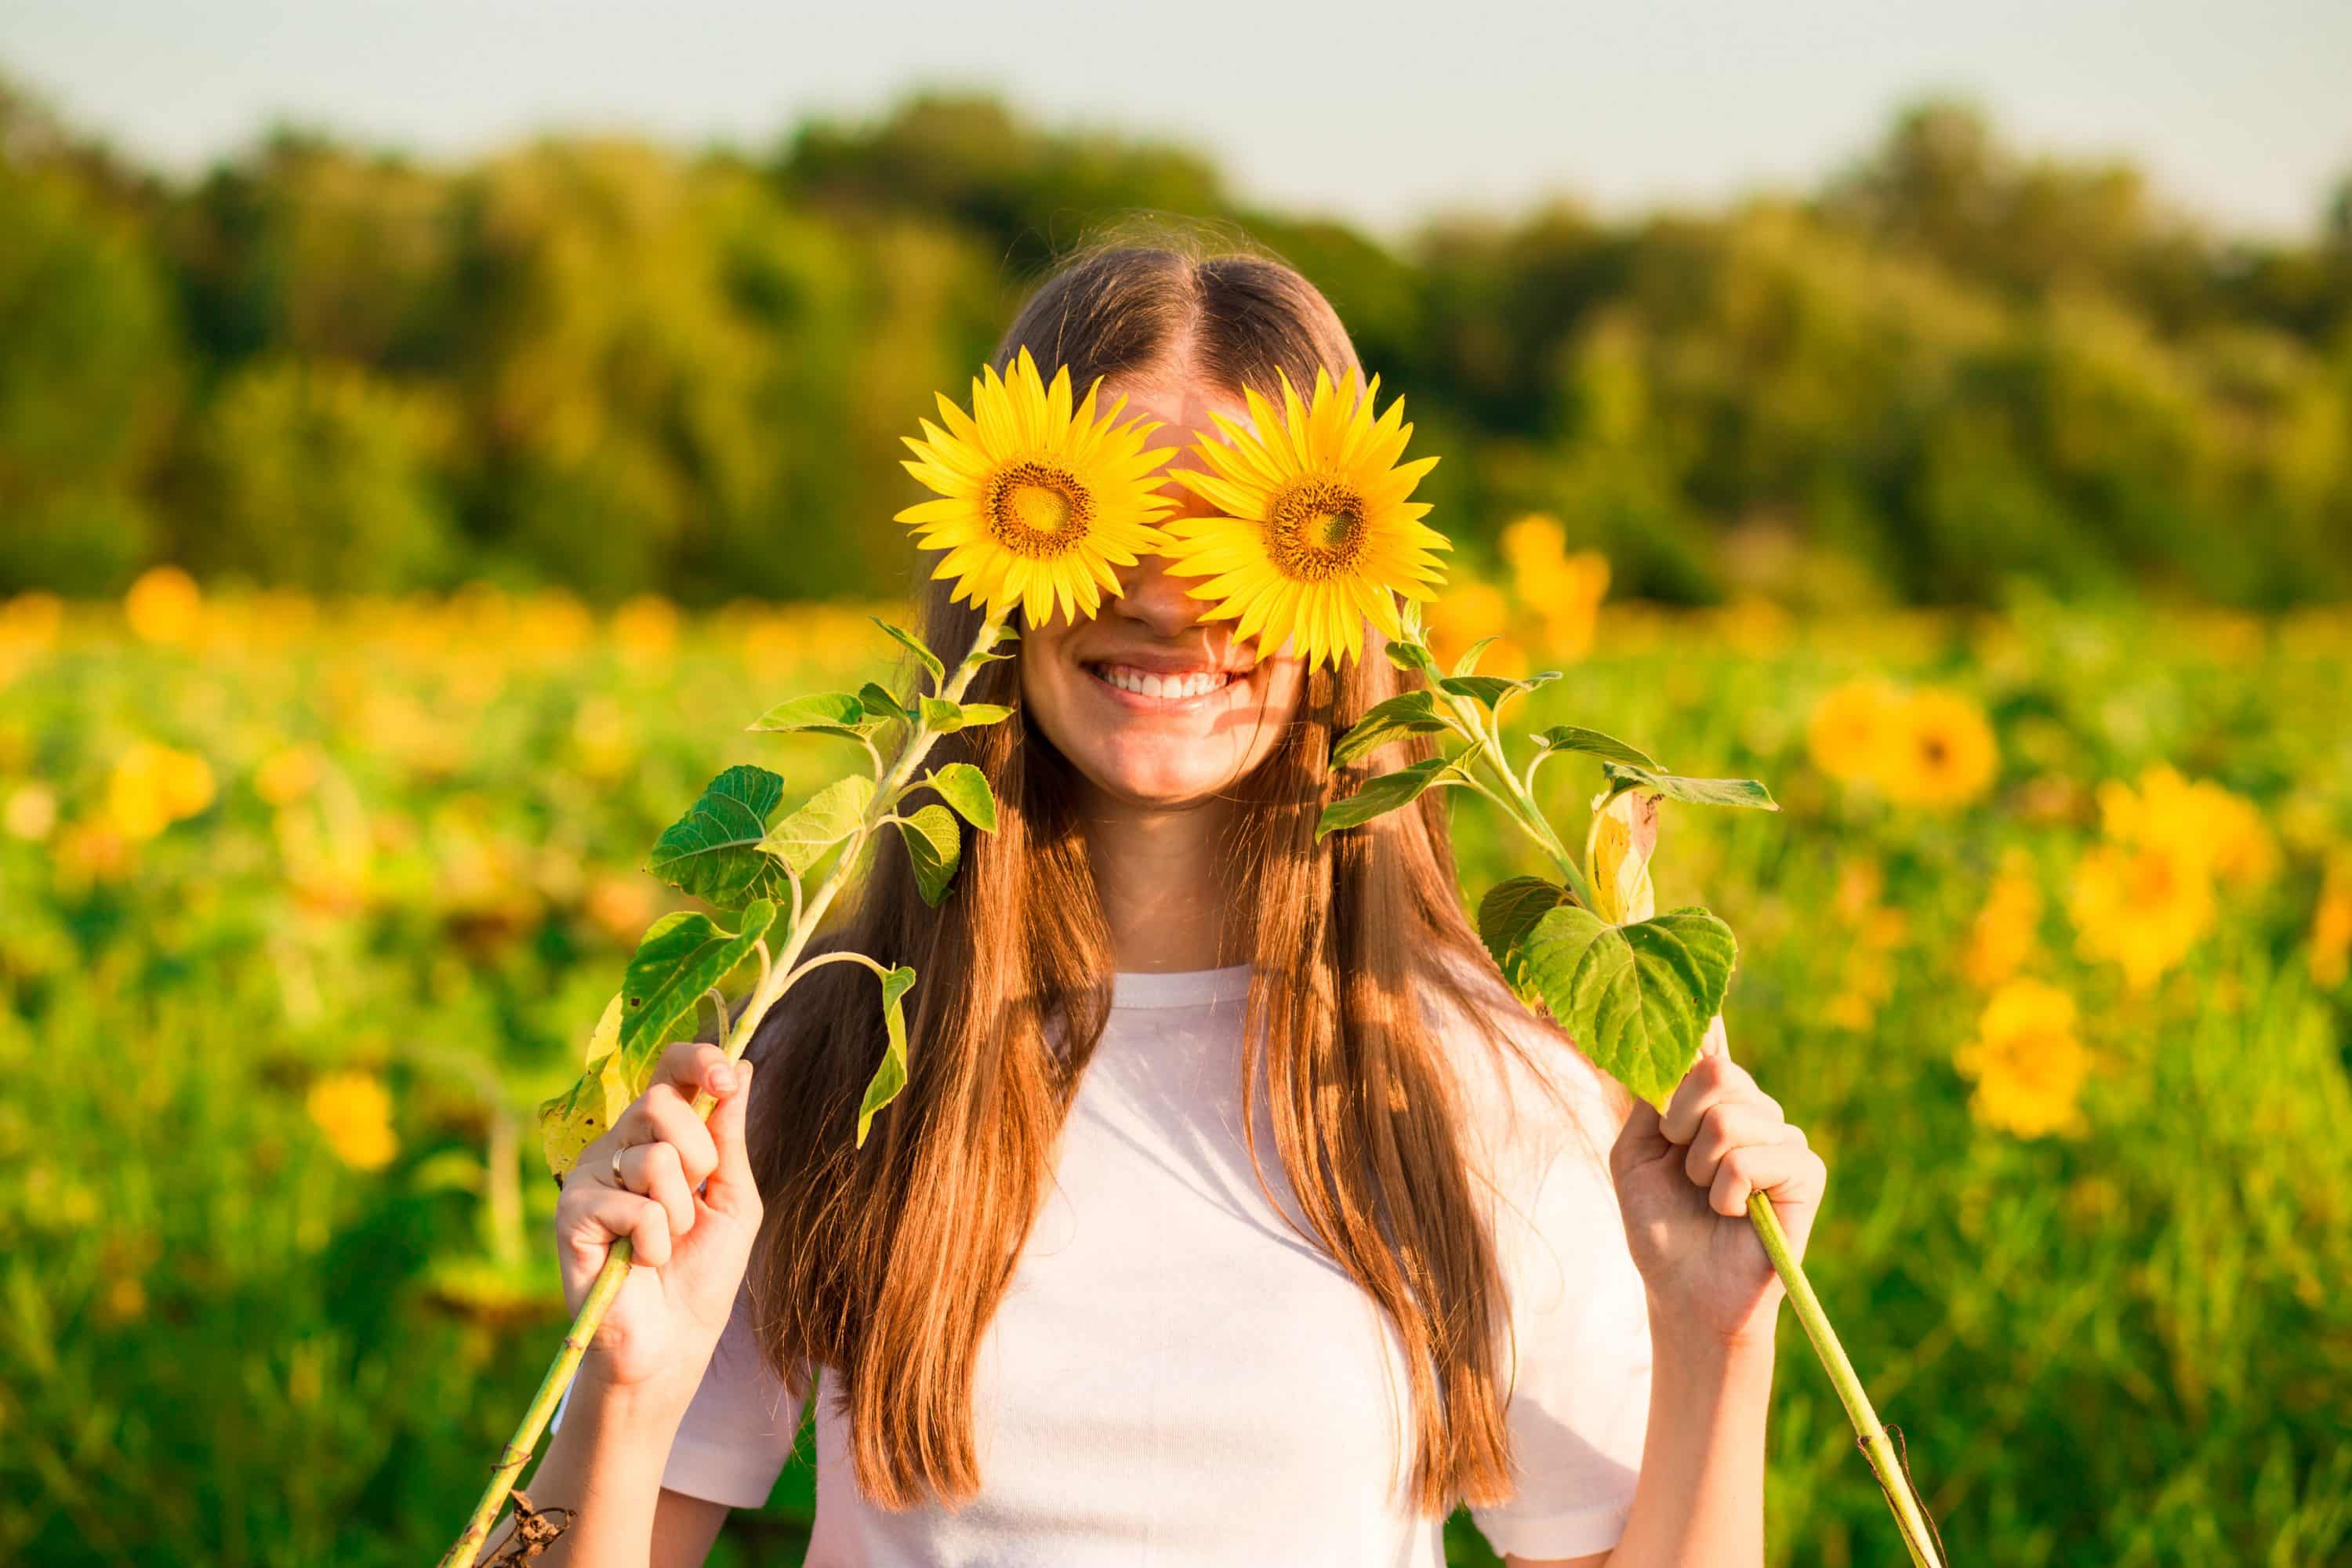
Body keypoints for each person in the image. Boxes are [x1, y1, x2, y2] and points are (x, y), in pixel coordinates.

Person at [493, 244, 1827, 1567]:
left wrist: (1722, 1339)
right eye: (1108, 519)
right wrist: (621, 1391)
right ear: (995, 553)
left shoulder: (1483, 1084)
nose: (1172, 599)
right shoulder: (839, 1051)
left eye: (1244, 536)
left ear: (1346, 578)